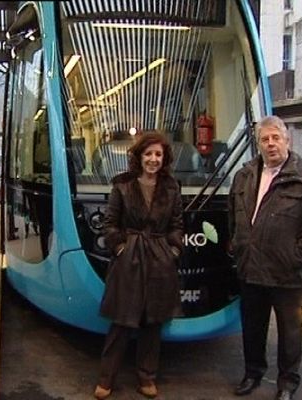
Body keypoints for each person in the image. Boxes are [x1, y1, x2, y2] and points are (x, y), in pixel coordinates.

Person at [229, 116, 302, 400]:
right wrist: (237, 247)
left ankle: (287, 384)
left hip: (288, 274)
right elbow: (234, 216)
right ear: (259, 144)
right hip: (251, 269)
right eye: (265, 139)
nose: (271, 144)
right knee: (252, 328)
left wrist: (296, 256)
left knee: (290, 334)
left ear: (287, 140)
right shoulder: (245, 175)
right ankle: (253, 374)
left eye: (276, 137)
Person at [94, 132, 183, 400]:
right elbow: (110, 223)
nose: (153, 159)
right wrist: (120, 248)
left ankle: (147, 377)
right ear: (139, 157)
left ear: (164, 158)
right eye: (148, 154)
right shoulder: (122, 186)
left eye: (158, 155)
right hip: (129, 259)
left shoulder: (171, 187)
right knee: (122, 321)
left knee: (152, 322)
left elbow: (177, 224)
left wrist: (173, 250)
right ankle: (106, 379)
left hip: (159, 261)